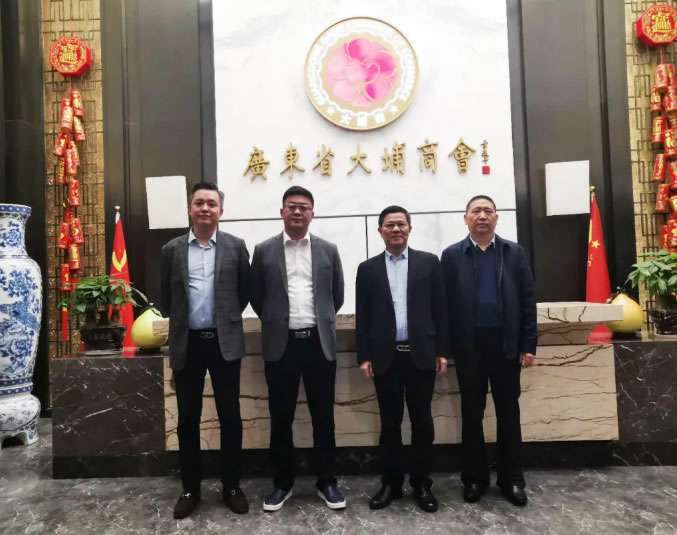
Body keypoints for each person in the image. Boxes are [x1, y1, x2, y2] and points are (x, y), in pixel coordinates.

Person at [250, 185, 345, 512]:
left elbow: (336, 295)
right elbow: (257, 296)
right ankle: (282, 483)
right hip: (282, 345)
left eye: (304, 207)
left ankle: (327, 481)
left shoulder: (328, 250)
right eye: (291, 206)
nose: (297, 211)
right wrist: (276, 320)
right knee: (281, 418)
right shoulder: (264, 250)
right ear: (282, 212)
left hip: (319, 344)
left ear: (312, 213)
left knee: (324, 417)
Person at [160, 182, 251, 519]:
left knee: (231, 418)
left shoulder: (235, 247)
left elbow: (244, 293)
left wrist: (225, 319)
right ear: (190, 209)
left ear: (220, 211)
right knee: (187, 420)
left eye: (211, 203)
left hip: (224, 343)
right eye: (199, 202)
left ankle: (232, 487)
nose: (205, 208)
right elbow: (166, 298)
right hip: (188, 343)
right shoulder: (171, 250)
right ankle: (190, 490)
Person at [440, 194, 536, 507]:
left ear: (496, 217)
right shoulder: (451, 256)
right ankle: (474, 479)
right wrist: (445, 349)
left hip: (506, 346)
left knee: (509, 413)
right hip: (469, 348)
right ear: (466, 218)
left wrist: (528, 344)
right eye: (476, 211)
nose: (482, 216)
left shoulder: (513, 252)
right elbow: (444, 307)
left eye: (488, 211)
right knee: (471, 414)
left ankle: (512, 479)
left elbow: (527, 301)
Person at [355, 205, 448, 513]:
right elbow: (363, 317)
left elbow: (441, 310)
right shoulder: (367, 269)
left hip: (422, 355)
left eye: (401, 224)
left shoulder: (429, 263)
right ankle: (391, 484)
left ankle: (422, 484)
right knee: (390, 424)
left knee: (422, 422)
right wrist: (364, 356)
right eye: (389, 225)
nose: (396, 229)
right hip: (386, 358)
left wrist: (442, 351)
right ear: (380, 231)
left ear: (410, 228)